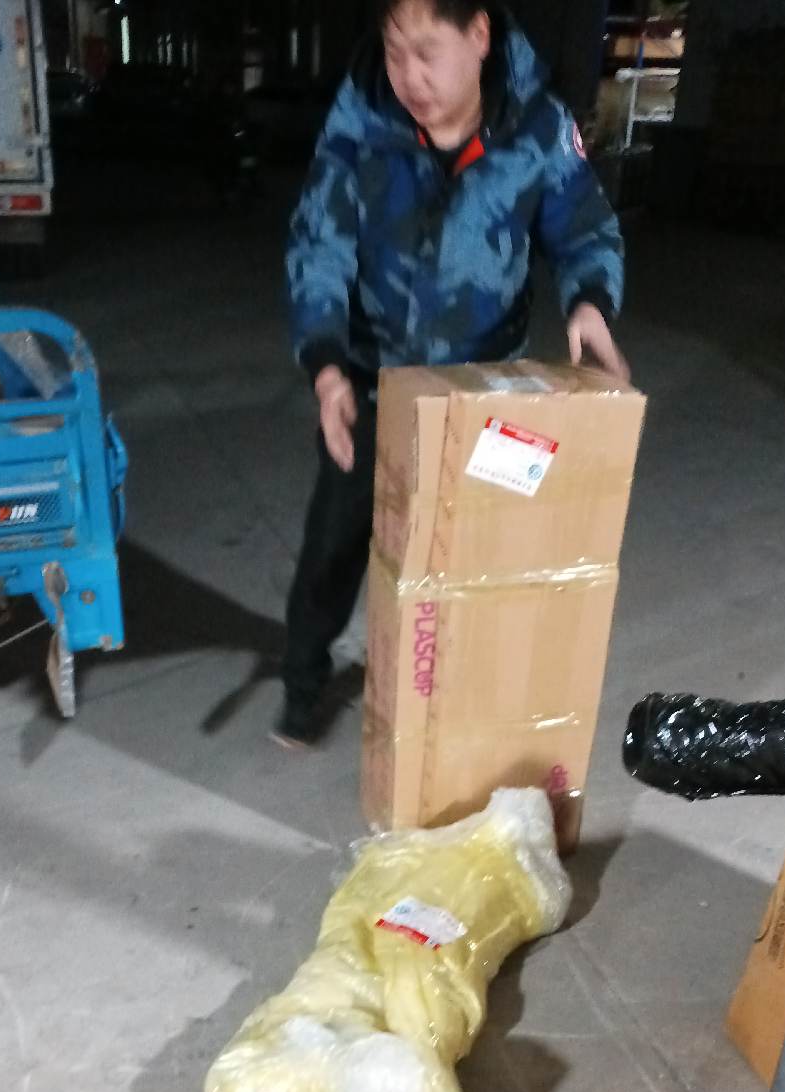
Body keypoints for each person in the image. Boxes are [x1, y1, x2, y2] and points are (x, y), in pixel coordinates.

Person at [275, 0, 629, 748]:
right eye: (395, 50)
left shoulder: (537, 127)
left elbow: (584, 228)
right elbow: (319, 245)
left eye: (428, 51)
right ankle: (303, 684)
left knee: (478, 551)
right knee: (334, 544)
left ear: (479, 35)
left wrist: (591, 302)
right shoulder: (361, 122)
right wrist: (327, 367)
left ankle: (451, 705)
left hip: (483, 395)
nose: (410, 76)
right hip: (371, 385)